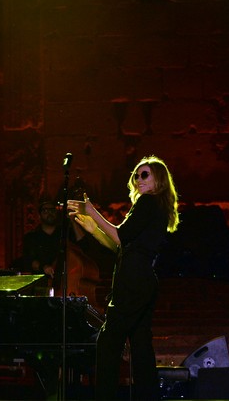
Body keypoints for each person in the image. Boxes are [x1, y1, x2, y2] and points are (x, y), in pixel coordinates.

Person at [68, 155, 179, 400]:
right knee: (140, 345)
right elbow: (121, 246)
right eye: (136, 175)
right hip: (143, 280)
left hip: (134, 282)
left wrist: (92, 211)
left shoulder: (148, 203)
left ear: (158, 179)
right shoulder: (155, 206)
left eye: (145, 175)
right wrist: (93, 229)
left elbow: (121, 236)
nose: (138, 179)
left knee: (109, 342)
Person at [12, 198, 62, 282]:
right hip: (40, 282)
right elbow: (29, 260)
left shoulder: (64, 235)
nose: (49, 213)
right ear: (39, 216)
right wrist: (44, 267)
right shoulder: (31, 238)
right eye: (45, 211)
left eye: (52, 210)